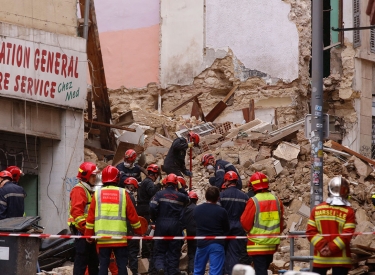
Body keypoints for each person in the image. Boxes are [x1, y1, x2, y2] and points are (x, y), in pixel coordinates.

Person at [85, 166, 143, 275]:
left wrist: (88, 235)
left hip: (102, 238)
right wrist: (139, 231)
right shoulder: (123, 193)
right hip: (119, 238)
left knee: (103, 265)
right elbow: (133, 216)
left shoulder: (97, 194)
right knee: (121, 265)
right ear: (117, 178)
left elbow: (90, 217)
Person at [306, 176, 356, 275]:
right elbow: (347, 235)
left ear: (329, 190)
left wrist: (323, 246)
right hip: (341, 259)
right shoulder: (348, 212)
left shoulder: (317, 209)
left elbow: (310, 232)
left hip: (321, 257)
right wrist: (331, 248)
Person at [240, 172, 284, 275]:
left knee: (260, 271)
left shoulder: (254, 201)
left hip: (257, 244)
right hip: (272, 243)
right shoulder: (277, 200)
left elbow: (245, 222)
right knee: (264, 269)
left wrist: (249, 232)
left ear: (252, 186)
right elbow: (281, 222)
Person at [150, 173, 190, 275]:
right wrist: (181, 189)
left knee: (159, 249)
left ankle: (160, 268)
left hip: (161, 223)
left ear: (166, 183)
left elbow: (152, 207)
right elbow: (188, 199)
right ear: (176, 184)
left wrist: (155, 219)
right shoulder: (180, 196)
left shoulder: (159, 194)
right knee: (173, 250)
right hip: (175, 225)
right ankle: (172, 272)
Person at [68, 162, 100, 275]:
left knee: (93, 262)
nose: (95, 178)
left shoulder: (88, 189)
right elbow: (77, 214)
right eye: (93, 176)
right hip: (82, 232)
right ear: (86, 176)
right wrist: (87, 231)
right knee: (81, 261)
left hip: (88, 232)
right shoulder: (79, 190)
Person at [193, 186, 230, 275]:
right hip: (217, 243)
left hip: (201, 243)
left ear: (206, 196)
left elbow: (195, 224)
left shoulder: (197, 209)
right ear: (218, 198)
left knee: (198, 270)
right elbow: (227, 229)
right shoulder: (222, 211)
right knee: (215, 272)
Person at [219, 171, 249, 275]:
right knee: (234, 253)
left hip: (224, 227)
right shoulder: (244, 197)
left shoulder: (221, 195)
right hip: (239, 227)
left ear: (226, 181)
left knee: (221, 251)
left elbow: (218, 212)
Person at [137, 164, 162, 275]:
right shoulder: (149, 183)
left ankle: (145, 253)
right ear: (155, 174)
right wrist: (159, 185)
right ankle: (147, 254)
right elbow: (152, 192)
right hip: (146, 209)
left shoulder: (144, 182)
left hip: (142, 208)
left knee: (145, 232)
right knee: (147, 232)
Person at [124, 177, 141, 275]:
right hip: (130, 227)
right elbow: (133, 214)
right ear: (131, 188)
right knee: (133, 251)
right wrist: (137, 230)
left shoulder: (121, 194)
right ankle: (134, 271)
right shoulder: (129, 197)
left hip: (122, 228)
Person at [182, 191, 199, 275]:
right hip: (197, 233)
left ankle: (190, 270)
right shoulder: (198, 209)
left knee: (191, 252)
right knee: (196, 252)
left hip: (189, 233)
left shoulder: (186, 209)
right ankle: (195, 270)